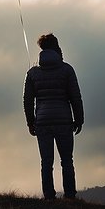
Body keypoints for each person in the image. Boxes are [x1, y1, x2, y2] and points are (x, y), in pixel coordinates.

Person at [22, 32, 84, 200]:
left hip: (42, 122)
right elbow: (75, 97)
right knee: (67, 160)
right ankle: (70, 195)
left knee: (46, 162)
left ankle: (49, 196)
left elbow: (28, 100)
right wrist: (79, 119)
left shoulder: (33, 73)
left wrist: (30, 122)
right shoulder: (67, 70)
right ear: (57, 48)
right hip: (64, 120)